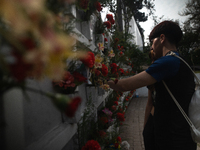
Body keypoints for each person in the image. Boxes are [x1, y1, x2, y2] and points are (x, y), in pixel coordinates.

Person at [108, 20, 196, 150]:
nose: (151, 47)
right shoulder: (182, 61)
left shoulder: (167, 62)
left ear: (161, 38)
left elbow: (123, 86)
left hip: (171, 140)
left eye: (152, 42)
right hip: (182, 136)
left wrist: (101, 79)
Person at [142, 50, 156, 150]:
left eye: (155, 59)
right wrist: (145, 126)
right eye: (152, 60)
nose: (153, 62)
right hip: (153, 120)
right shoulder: (152, 80)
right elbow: (149, 103)